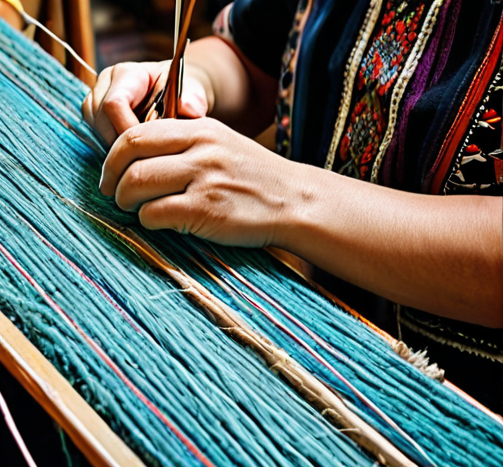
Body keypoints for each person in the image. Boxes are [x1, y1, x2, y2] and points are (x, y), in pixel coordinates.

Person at [82, 0, 503, 408]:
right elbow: (251, 58)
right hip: (317, 348)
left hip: (455, 415)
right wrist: (191, 82)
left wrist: (286, 195)